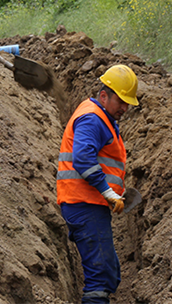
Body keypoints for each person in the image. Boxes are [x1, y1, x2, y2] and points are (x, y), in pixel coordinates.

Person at [56, 64, 139, 304]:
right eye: (121, 101)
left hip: (88, 204)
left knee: (108, 269)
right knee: (100, 277)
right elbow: (83, 159)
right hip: (84, 204)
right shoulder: (93, 119)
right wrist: (108, 192)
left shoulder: (102, 116)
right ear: (104, 95)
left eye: (127, 103)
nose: (125, 108)